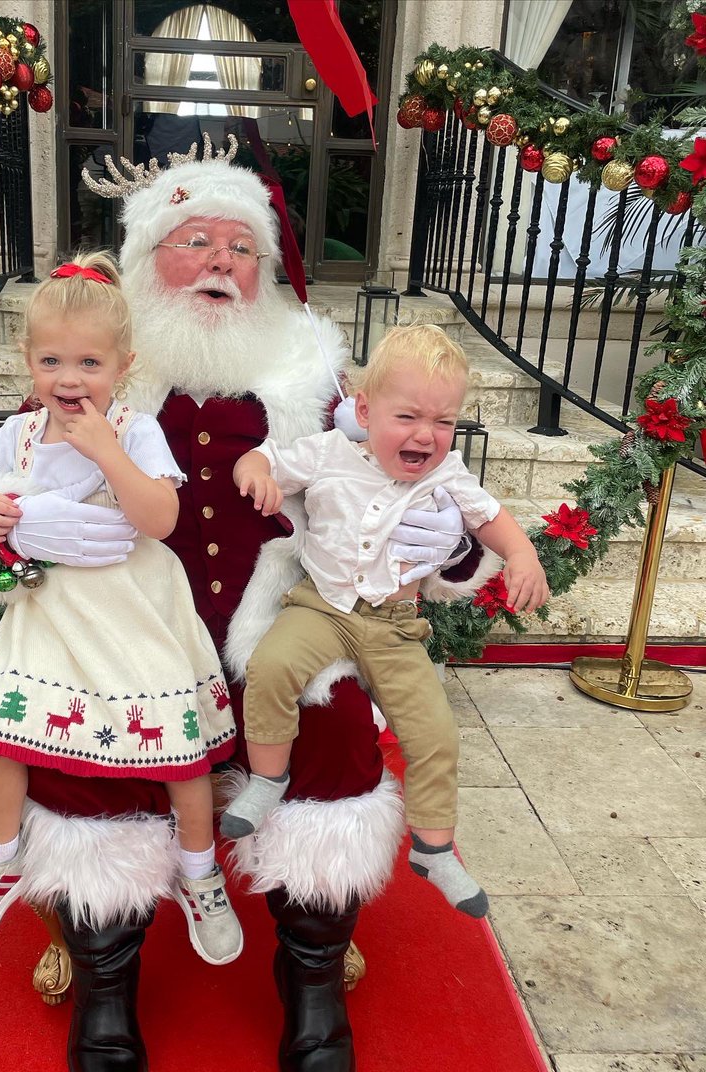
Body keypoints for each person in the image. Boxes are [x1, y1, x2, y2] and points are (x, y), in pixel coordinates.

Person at [0, 139, 501, 1072]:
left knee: (329, 751)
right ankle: (107, 979)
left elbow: (419, 499)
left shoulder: (321, 388)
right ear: (146, 260)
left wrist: (444, 547)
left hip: (281, 630)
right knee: (78, 764)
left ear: (268, 270)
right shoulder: (91, 379)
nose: (218, 262)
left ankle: (311, 975)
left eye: (240, 246)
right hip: (121, 642)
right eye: (191, 240)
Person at [0, 253, 243, 971]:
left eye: (89, 363)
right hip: (52, 607)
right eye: (51, 360)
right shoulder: (21, 435)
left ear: (123, 365)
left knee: (179, 747)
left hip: (134, 604)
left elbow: (162, 517)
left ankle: (200, 869)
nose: (69, 380)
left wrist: (109, 455)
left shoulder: (135, 431)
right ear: (28, 360)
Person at [221, 324, 550, 921]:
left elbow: (491, 519)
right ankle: (268, 780)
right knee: (270, 667)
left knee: (435, 737)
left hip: (396, 627)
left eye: (444, 422)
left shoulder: (446, 476)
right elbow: (268, 456)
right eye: (408, 417)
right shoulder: (329, 453)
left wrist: (523, 554)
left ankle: (433, 847)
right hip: (321, 610)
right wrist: (256, 470)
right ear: (364, 412)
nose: (427, 435)